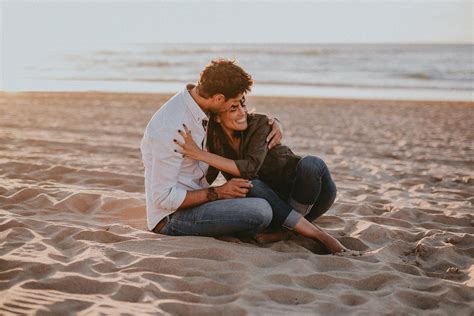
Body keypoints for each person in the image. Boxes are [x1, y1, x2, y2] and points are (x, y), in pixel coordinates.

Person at [173, 97, 349, 254]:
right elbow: (205, 178)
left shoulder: (260, 124)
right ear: (217, 117)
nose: (242, 112)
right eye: (233, 108)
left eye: (243, 104)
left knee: (312, 163)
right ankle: (293, 228)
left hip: (310, 192)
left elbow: (249, 168)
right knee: (251, 185)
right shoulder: (215, 144)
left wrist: (198, 153)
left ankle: (290, 231)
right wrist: (179, 193)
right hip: (275, 204)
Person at [140, 59, 284, 239]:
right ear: (218, 99)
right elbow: (163, 199)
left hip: (201, 201)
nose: (238, 107)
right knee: (260, 210)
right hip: (171, 217)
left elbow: (238, 119)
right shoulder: (172, 128)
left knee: (263, 191)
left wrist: (273, 123)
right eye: (234, 103)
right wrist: (219, 192)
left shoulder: (203, 106)